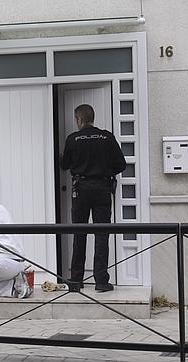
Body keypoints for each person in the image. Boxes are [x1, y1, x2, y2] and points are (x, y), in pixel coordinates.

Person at [60, 104, 126, 292]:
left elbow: (64, 165)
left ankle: (76, 280)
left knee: (79, 233)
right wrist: (105, 172)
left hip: (80, 189)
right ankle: (101, 281)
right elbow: (121, 165)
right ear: (92, 118)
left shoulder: (73, 139)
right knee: (101, 234)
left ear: (79, 119)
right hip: (102, 189)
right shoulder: (107, 137)